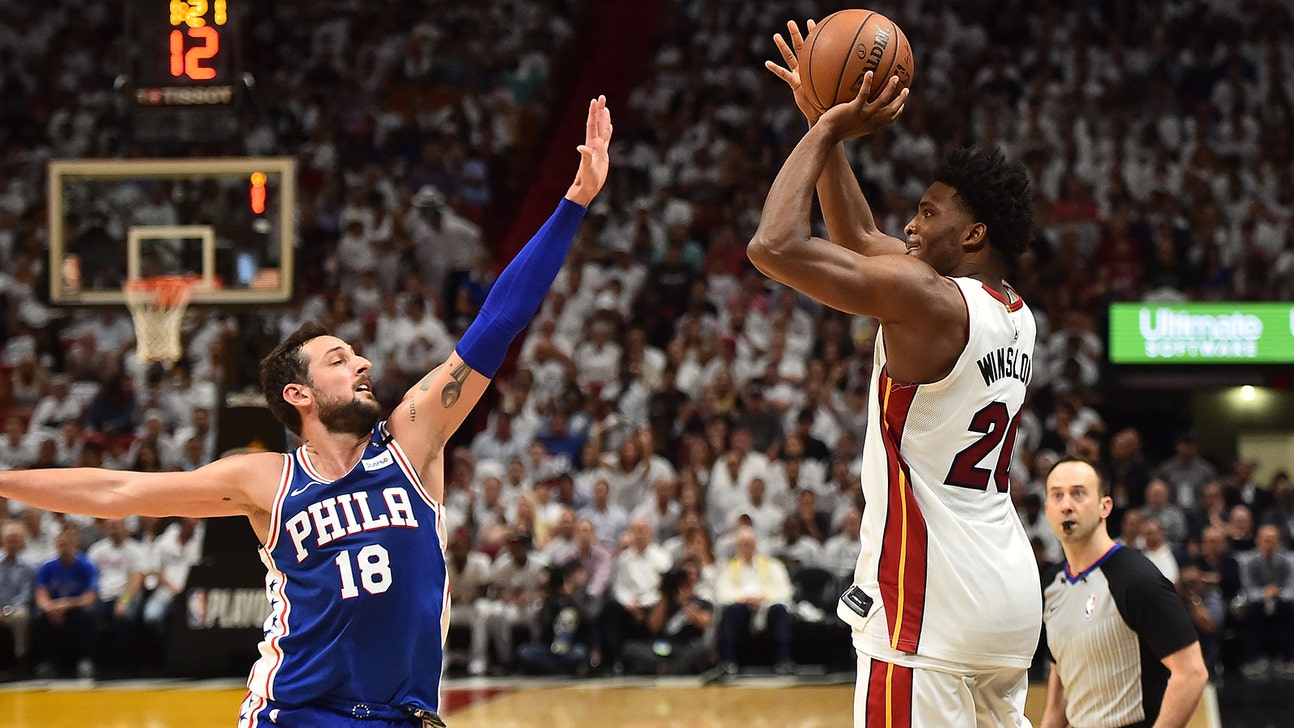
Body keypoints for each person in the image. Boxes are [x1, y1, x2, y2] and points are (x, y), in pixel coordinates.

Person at [0, 97, 611, 726]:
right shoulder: (266, 480)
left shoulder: (412, 438)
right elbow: (119, 489)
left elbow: (498, 321)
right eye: (340, 360)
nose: (363, 364)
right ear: (300, 395)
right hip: (295, 714)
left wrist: (574, 203)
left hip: (401, 716)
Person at [754, 21, 1041, 726]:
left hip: (929, 605)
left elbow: (775, 245)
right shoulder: (1012, 310)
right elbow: (855, 240)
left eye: (926, 212)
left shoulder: (933, 304)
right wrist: (824, 121)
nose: (910, 225)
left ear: (971, 235)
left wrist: (822, 134)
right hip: (1004, 602)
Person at [1040, 457, 1207, 728]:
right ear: (1047, 508)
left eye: (1078, 493)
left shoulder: (1137, 578)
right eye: (1057, 495)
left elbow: (1192, 673)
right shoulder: (1051, 584)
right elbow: (1058, 679)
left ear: (1105, 506)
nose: (1066, 505)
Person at [0, 521, 35, 670]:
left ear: (21, 542)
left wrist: (6, 611)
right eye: (10, 539)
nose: (12, 543)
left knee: (21, 616)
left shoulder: (28, 566)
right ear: (3, 540)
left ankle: (21, 658)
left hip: (15, 608)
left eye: (16, 540)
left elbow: (26, 594)